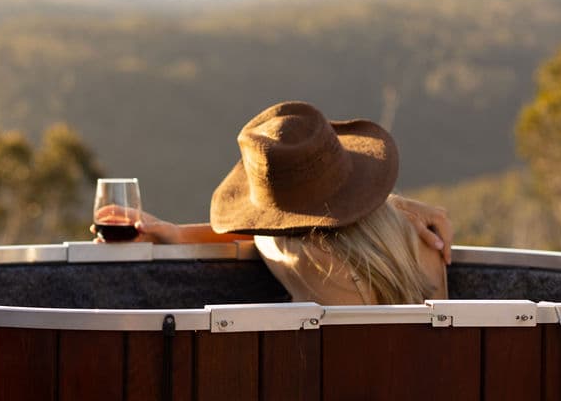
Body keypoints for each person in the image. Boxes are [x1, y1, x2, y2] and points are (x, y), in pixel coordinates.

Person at [101, 101, 452, 305]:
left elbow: (263, 235)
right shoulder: (425, 240)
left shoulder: (304, 259)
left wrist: (178, 235)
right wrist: (393, 205)